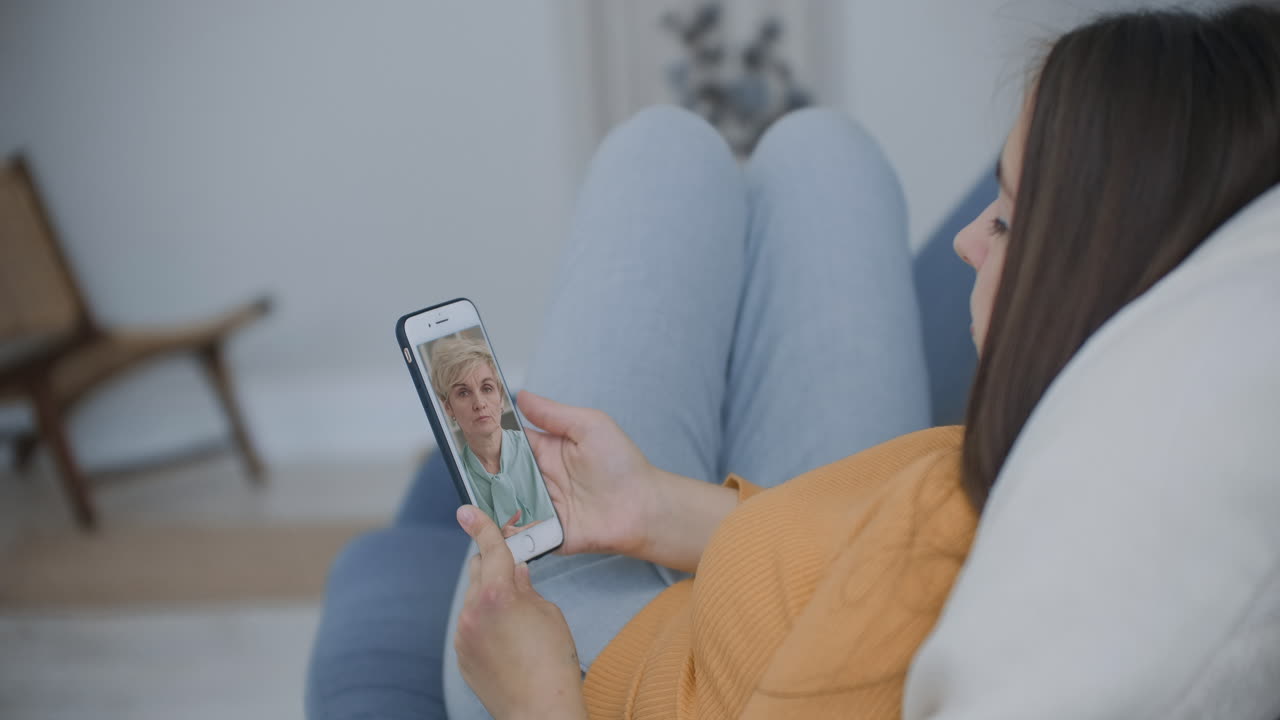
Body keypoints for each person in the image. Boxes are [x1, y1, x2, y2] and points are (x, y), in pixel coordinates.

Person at [444, 5, 1280, 719]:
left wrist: (533, 694)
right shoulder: (1066, 453)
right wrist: (653, 507)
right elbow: (850, 552)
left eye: (1005, 219)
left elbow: (875, 587)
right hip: (757, 591)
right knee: (823, 147)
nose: (966, 240)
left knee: (660, 150)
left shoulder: (993, 577)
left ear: (1089, 269)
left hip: (577, 666)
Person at [430, 334, 553, 537]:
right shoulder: (459, 477)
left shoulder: (534, 448)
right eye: (463, 393)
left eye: (487, 388)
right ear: (448, 408)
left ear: (501, 398)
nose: (479, 403)